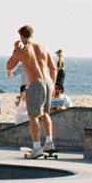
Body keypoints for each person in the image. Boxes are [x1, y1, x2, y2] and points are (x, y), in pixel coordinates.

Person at [7, 25, 58, 158]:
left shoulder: (22, 51)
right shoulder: (43, 48)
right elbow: (53, 68)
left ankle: (36, 147)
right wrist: (52, 84)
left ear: (21, 36)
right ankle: (49, 141)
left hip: (36, 82)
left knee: (33, 115)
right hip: (48, 82)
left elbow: (9, 66)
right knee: (45, 113)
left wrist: (15, 50)